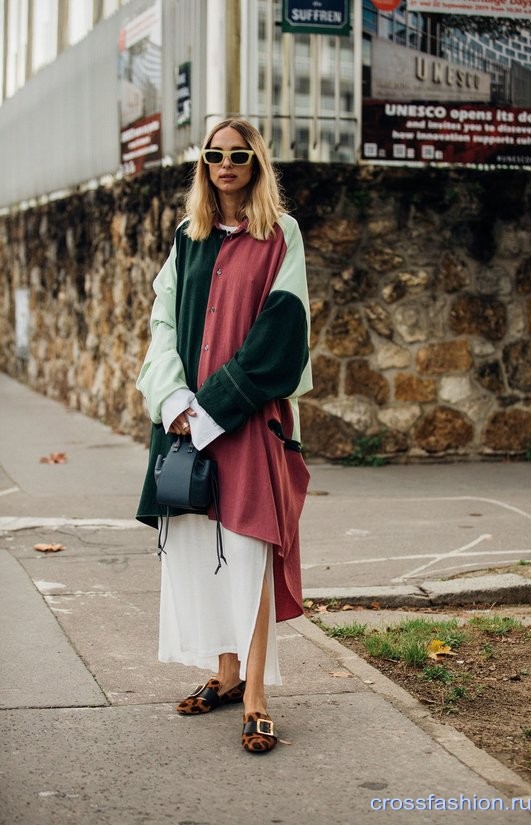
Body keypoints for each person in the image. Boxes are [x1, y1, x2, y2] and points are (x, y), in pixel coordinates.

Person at [136, 117, 312, 754]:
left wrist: (214, 406)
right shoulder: (189, 238)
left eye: (238, 155)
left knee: (249, 557)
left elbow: (282, 333)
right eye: (214, 155)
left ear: (257, 164)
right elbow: (161, 321)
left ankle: (259, 694)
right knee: (201, 551)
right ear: (204, 165)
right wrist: (175, 399)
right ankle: (227, 674)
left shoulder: (280, 236)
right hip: (186, 422)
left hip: (245, 423)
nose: (226, 164)